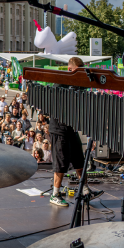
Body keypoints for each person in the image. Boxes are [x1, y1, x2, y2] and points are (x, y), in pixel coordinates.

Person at [48, 56, 86, 207]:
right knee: (61, 162)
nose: (80, 74)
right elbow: (53, 103)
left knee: (79, 160)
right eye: (78, 71)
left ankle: (84, 189)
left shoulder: (80, 83)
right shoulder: (60, 82)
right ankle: (55, 194)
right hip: (59, 128)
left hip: (72, 127)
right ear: (70, 70)